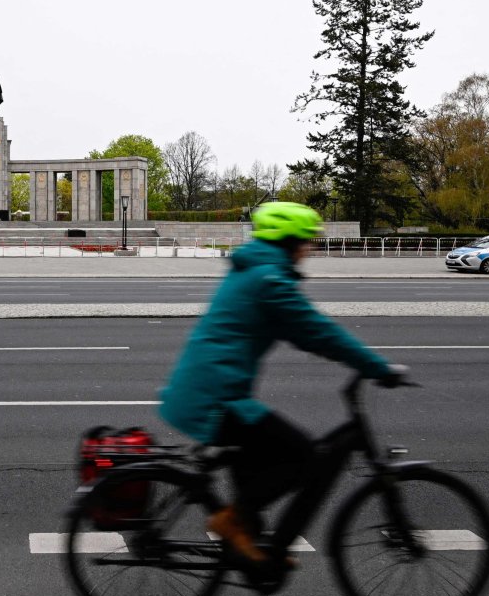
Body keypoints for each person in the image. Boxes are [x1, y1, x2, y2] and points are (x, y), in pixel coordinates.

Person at [158, 201, 403, 566]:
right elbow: (317, 332)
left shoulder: (255, 269)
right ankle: (235, 521)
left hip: (210, 390)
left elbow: (307, 332)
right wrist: (377, 367)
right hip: (218, 398)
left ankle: (258, 546)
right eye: (306, 241)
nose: (311, 249)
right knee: (305, 457)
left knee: (265, 455)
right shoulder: (269, 280)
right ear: (288, 241)